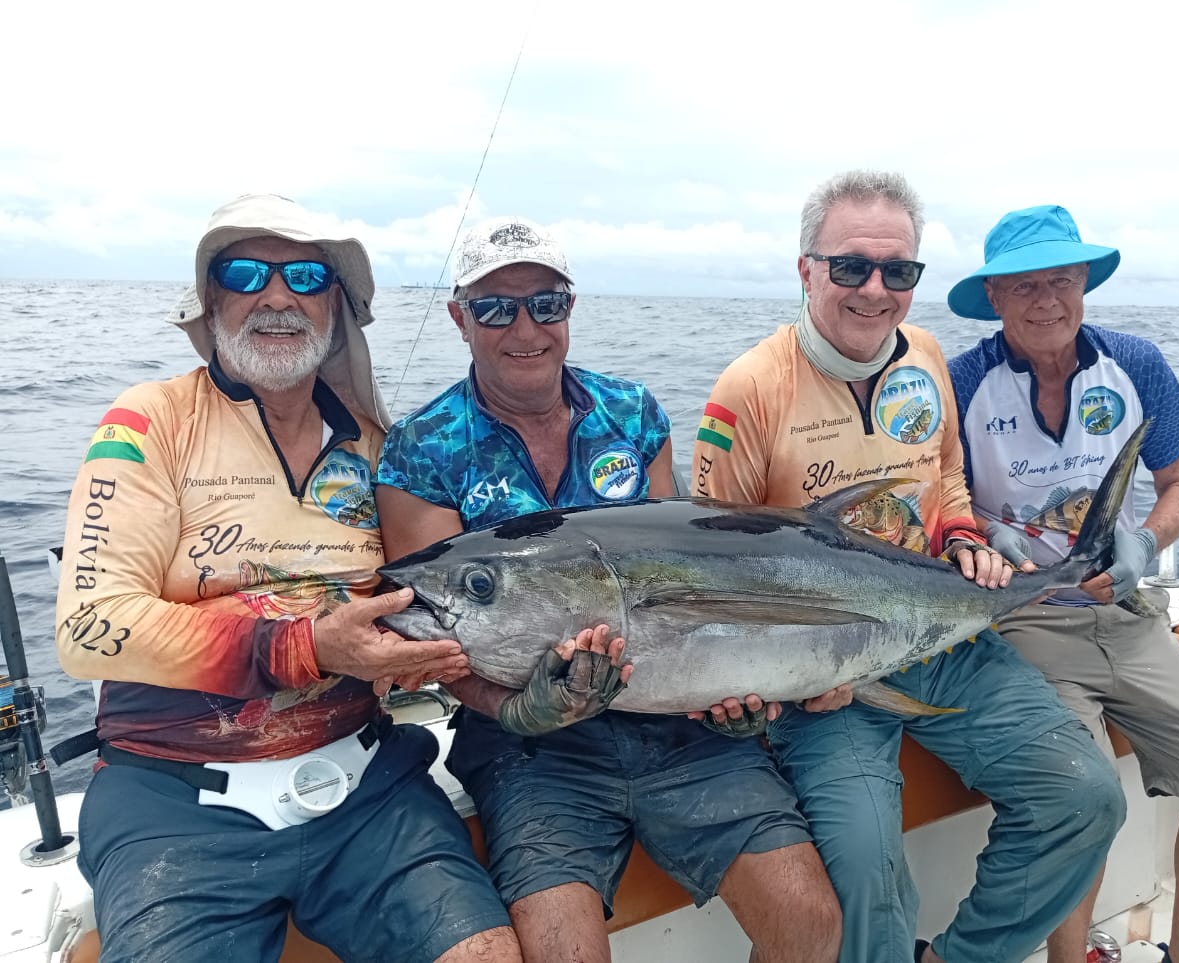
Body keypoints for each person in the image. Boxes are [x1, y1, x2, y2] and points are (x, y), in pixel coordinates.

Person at [54, 194, 521, 962]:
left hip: (369, 790)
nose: (277, 295)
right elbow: (87, 627)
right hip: (174, 806)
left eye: (304, 275)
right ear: (212, 299)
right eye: (247, 273)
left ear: (335, 306)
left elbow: (430, 603)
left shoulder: (381, 447)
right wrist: (307, 646)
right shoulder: (147, 422)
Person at [374, 215, 841, 963]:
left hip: (676, 727)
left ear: (570, 308)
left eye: (545, 303)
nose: (524, 327)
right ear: (460, 317)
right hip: (533, 754)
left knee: (810, 920)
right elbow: (433, 633)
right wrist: (518, 708)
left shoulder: (632, 412)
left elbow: (693, 576)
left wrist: (736, 690)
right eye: (496, 307)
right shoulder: (422, 448)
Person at [691, 170, 1127, 963]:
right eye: (850, 266)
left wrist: (962, 534)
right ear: (806, 270)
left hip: (941, 633)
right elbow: (715, 573)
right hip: (825, 678)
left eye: (899, 271)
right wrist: (792, 677)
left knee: (1086, 796)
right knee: (867, 871)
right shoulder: (748, 391)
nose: (875, 289)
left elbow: (946, 470)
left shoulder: (925, 354)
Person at [947, 204, 1179, 963]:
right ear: (993, 298)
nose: (1045, 299)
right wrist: (980, 537)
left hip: (1127, 612)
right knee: (1080, 794)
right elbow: (941, 505)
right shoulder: (960, 381)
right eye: (1023, 286)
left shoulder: (1137, 363)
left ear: (1084, 280)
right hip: (1022, 622)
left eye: (1060, 278)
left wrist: (1144, 541)